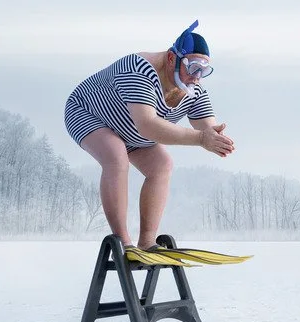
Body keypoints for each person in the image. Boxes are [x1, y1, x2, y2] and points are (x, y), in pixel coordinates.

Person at [64, 20, 234, 263]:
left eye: (203, 71)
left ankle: (147, 242)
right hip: (88, 112)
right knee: (115, 157)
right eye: (193, 67)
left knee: (162, 166)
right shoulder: (140, 69)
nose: (196, 76)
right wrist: (199, 139)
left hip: (131, 129)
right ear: (171, 58)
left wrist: (216, 138)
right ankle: (124, 243)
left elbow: (208, 129)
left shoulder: (194, 88)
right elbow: (148, 125)